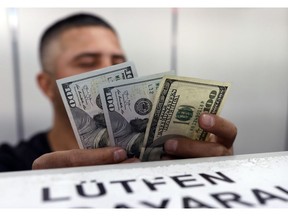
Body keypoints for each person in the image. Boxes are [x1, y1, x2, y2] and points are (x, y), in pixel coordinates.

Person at [0, 13, 237, 172]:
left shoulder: (165, 157)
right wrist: (31, 191)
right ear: (46, 85)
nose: (108, 71)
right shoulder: (10, 167)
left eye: (118, 61)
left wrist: (216, 176)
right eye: (87, 62)